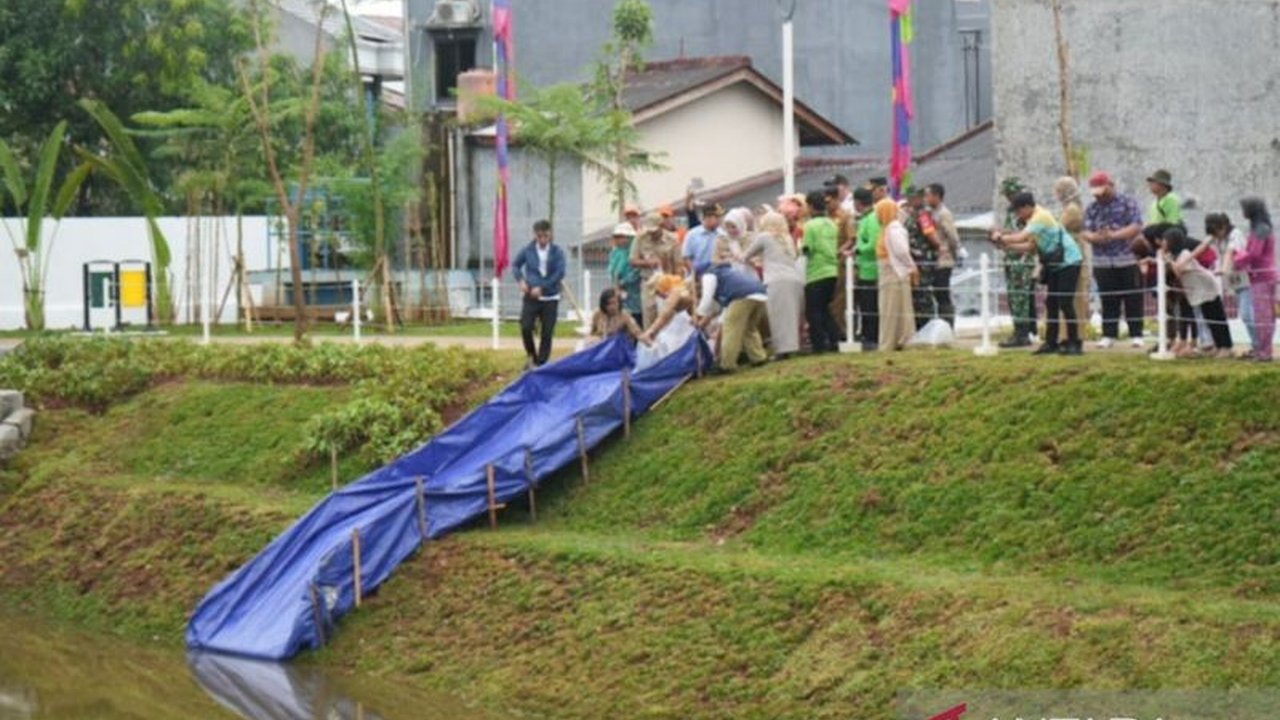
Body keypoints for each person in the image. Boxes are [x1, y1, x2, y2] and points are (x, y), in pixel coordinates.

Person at [994, 192, 1084, 355]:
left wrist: (1001, 237)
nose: (1017, 215)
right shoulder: (1032, 219)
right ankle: (1051, 342)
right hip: (1056, 262)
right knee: (1051, 303)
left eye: (1018, 211)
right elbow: (1031, 247)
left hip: (1069, 260)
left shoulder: (1040, 217)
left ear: (1027, 207)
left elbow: (1021, 236)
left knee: (1065, 301)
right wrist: (1006, 246)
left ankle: (1074, 342)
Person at [1081, 170, 1145, 348]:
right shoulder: (1092, 208)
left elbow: (1136, 226)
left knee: (1132, 297)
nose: (1100, 197)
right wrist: (1095, 237)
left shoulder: (1127, 203)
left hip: (1127, 258)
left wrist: (1115, 235)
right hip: (1102, 260)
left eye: (1103, 192)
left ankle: (1136, 333)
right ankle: (1109, 334)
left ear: (1111, 185)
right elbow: (1085, 230)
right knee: (1108, 298)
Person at [1160, 227, 1233, 357]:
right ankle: (1218, 346)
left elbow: (1178, 271)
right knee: (1209, 318)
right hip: (1199, 291)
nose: (1162, 243)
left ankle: (1226, 347)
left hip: (1207, 287)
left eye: (1165, 240)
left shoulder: (1184, 254)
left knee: (1217, 317)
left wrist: (1168, 260)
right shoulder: (1175, 255)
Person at [744, 211, 804, 358]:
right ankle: (791, 347)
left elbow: (746, 255)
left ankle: (781, 351)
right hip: (794, 279)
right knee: (790, 316)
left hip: (776, 280)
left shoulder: (764, 237)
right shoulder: (788, 238)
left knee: (777, 316)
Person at [695, 262, 769, 372]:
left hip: (741, 296)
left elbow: (707, 297)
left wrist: (698, 314)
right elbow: (716, 307)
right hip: (761, 294)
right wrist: (703, 317)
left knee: (730, 329)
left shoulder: (709, 274)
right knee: (749, 329)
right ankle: (758, 357)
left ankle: (727, 364)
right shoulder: (728, 273)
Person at [512, 219, 565, 368]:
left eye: (545, 236)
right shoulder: (527, 250)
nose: (542, 239)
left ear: (550, 235)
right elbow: (516, 265)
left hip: (550, 297)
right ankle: (531, 356)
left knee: (547, 332)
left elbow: (559, 273)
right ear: (535, 235)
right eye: (539, 236)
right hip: (531, 297)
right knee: (526, 326)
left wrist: (542, 287)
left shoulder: (557, 252)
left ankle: (541, 362)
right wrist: (521, 280)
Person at [1233, 197, 1277, 362]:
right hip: (1262, 276)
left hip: (1262, 277)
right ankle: (1264, 350)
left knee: (1263, 317)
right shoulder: (1261, 228)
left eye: (1244, 208)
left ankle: (1265, 353)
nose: (1243, 211)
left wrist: (1237, 260)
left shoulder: (1261, 229)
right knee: (1265, 316)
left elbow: (1254, 254)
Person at [995, 177, 1037, 348]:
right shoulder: (1011, 211)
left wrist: (1005, 237)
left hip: (1023, 259)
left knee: (1021, 297)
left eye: (1010, 194)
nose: (1008, 197)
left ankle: (1023, 333)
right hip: (1011, 258)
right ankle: (1019, 331)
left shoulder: (1028, 211)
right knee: (1014, 297)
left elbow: (1025, 235)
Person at [1206, 213, 1255, 353]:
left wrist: (1224, 270)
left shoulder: (1235, 234)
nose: (1217, 235)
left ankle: (1258, 345)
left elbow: (1230, 252)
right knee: (1246, 314)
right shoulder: (1219, 238)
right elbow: (1207, 244)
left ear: (1224, 226)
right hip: (1235, 280)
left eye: (1217, 231)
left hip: (1245, 278)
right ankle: (1256, 346)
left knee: (1247, 314)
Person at [801, 190, 841, 353]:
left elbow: (806, 249)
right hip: (832, 270)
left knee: (814, 311)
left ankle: (819, 344)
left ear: (810, 206)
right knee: (825, 309)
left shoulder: (810, 226)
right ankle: (834, 339)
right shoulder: (832, 224)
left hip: (816, 271)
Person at [876, 197, 916, 350]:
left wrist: (910, 266)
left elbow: (901, 251)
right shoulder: (887, 228)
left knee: (891, 309)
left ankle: (890, 342)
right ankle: (895, 340)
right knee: (890, 308)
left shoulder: (894, 229)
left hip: (893, 272)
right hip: (889, 271)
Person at [1054, 176, 1091, 332]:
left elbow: (1057, 229)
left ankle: (1072, 334)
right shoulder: (1071, 207)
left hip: (1071, 253)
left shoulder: (1071, 210)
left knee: (1072, 294)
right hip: (1071, 251)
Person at [631, 212, 680, 326]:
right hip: (649, 283)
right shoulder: (640, 238)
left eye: (654, 231)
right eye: (649, 231)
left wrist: (676, 286)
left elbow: (678, 265)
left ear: (661, 226)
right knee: (649, 316)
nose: (651, 234)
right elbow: (633, 261)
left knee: (667, 318)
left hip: (668, 283)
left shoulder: (672, 240)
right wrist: (648, 263)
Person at [903, 186, 938, 329]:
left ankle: (926, 325)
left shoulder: (923, 215)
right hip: (914, 260)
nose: (909, 201)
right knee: (916, 295)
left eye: (912, 198)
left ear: (919, 198)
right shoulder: (913, 214)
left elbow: (932, 236)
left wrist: (938, 248)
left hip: (922, 260)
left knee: (923, 294)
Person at [924, 183, 959, 328]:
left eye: (928, 195)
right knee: (936, 293)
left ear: (937, 196)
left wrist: (953, 252)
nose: (926, 198)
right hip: (932, 258)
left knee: (942, 293)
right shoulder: (929, 213)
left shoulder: (944, 213)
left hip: (943, 259)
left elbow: (952, 236)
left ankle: (948, 325)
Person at [852, 187, 880, 350]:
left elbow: (873, 243)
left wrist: (858, 249)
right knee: (864, 304)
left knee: (870, 305)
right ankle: (866, 334)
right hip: (863, 269)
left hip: (871, 270)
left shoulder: (873, 219)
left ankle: (872, 336)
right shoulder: (864, 219)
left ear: (858, 202)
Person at [607, 222, 642, 326]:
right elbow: (612, 270)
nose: (618, 240)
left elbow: (637, 271)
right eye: (616, 237)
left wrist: (624, 282)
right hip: (618, 290)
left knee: (636, 317)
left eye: (621, 237)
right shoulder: (615, 253)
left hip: (634, 291)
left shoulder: (635, 252)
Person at [682, 202, 724, 275]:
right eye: (717, 217)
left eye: (720, 217)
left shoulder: (722, 234)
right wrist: (695, 273)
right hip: (698, 274)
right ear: (707, 217)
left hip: (719, 273)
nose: (720, 220)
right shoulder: (692, 235)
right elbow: (686, 257)